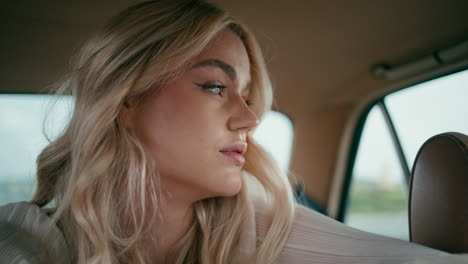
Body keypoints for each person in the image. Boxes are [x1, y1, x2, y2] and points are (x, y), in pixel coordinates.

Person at [0, 1, 467, 263]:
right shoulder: (29, 239)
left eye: (246, 93)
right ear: (126, 100)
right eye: (216, 86)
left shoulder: (262, 230)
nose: (250, 119)